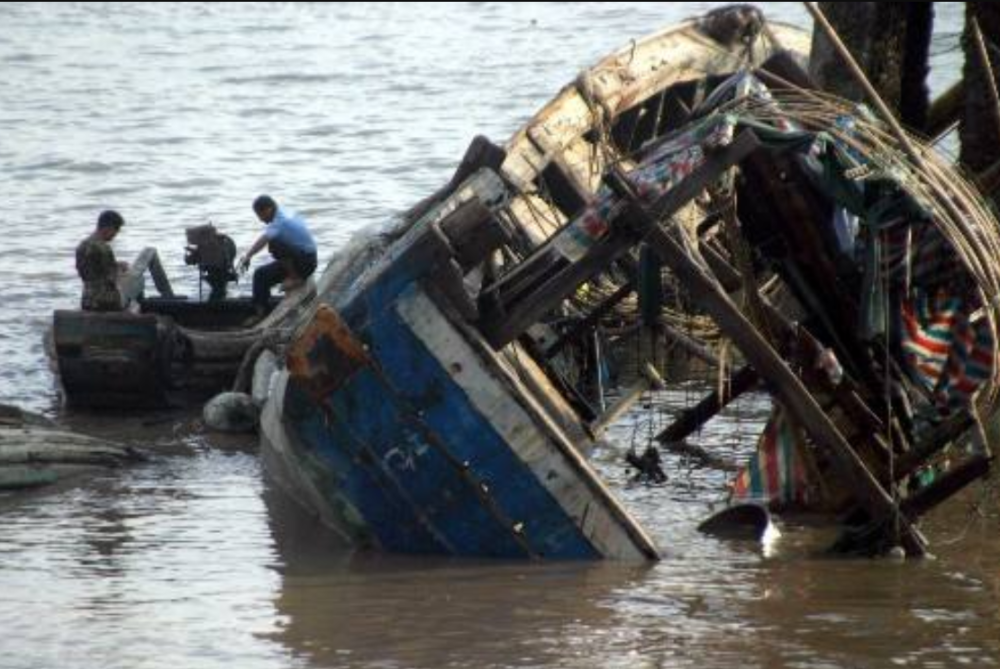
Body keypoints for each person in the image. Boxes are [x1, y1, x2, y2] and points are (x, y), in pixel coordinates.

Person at [238, 195, 318, 318]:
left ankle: (295, 277)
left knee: (274, 243)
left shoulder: (281, 220)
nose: (260, 219)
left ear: (268, 209)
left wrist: (248, 256)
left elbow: (264, 239)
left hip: (305, 262)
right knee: (260, 274)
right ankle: (261, 313)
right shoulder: (283, 212)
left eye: (260, 215)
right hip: (302, 258)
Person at [75, 210, 127, 311]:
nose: (116, 234)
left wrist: (115, 265)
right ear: (108, 227)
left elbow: (91, 272)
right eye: (116, 230)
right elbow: (112, 278)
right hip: (106, 302)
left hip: (87, 300)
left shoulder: (82, 245)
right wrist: (122, 270)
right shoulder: (103, 248)